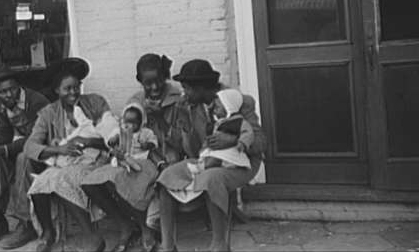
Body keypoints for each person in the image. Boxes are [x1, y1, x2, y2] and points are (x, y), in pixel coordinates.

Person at [157, 59, 267, 252]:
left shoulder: (238, 101)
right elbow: (192, 152)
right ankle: (167, 246)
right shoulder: (189, 107)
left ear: (200, 88)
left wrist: (232, 140)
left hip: (240, 162)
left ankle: (219, 245)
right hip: (206, 159)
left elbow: (260, 143)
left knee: (211, 178)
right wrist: (185, 125)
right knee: (166, 177)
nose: (184, 93)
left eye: (187, 88)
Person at [82, 53, 187, 252]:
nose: (154, 88)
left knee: (132, 178)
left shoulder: (178, 98)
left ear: (165, 76)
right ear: (140, 82)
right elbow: (126, 134)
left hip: (164, 156)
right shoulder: (135, 102)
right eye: (148, 83)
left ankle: (147, 229)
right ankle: (126, 224)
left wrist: (160, 119)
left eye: (158, 81)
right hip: (134, 156)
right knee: (95, 181)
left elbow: (182, 141)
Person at [24, 57, 117, 252]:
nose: (73, 92)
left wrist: (88, 141)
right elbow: (30, 147)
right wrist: (59, 149)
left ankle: (92, 235)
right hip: (65, 162)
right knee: (39, 184)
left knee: (61, 179)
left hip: (96, 160)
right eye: (67, 89)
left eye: (76, 87)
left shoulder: (95, 103)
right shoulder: (48, 113)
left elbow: (112, 136)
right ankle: (48, 233)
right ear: (57, 90)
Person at [0, 64, 50, 249]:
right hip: (29, 148)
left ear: (19, 86)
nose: (8, 95)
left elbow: (36, 139)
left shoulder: (36, 101)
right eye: (2, 92)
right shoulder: (1, 105)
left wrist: (3, 149)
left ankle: (26, 224)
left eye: (12, 89)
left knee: (23, 157)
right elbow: (4, 134)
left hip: (49, 152)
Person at [190, 88, 252, 173]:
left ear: (228, 107)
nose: (214, 111)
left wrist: (242, 143)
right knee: (210, 157)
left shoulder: (239, 121)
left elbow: (248, 133)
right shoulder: (219, 122)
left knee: (215, 160)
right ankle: (202, 165)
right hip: (218, 150)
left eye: (217, 107)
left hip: (230, 151)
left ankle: (201, 168)